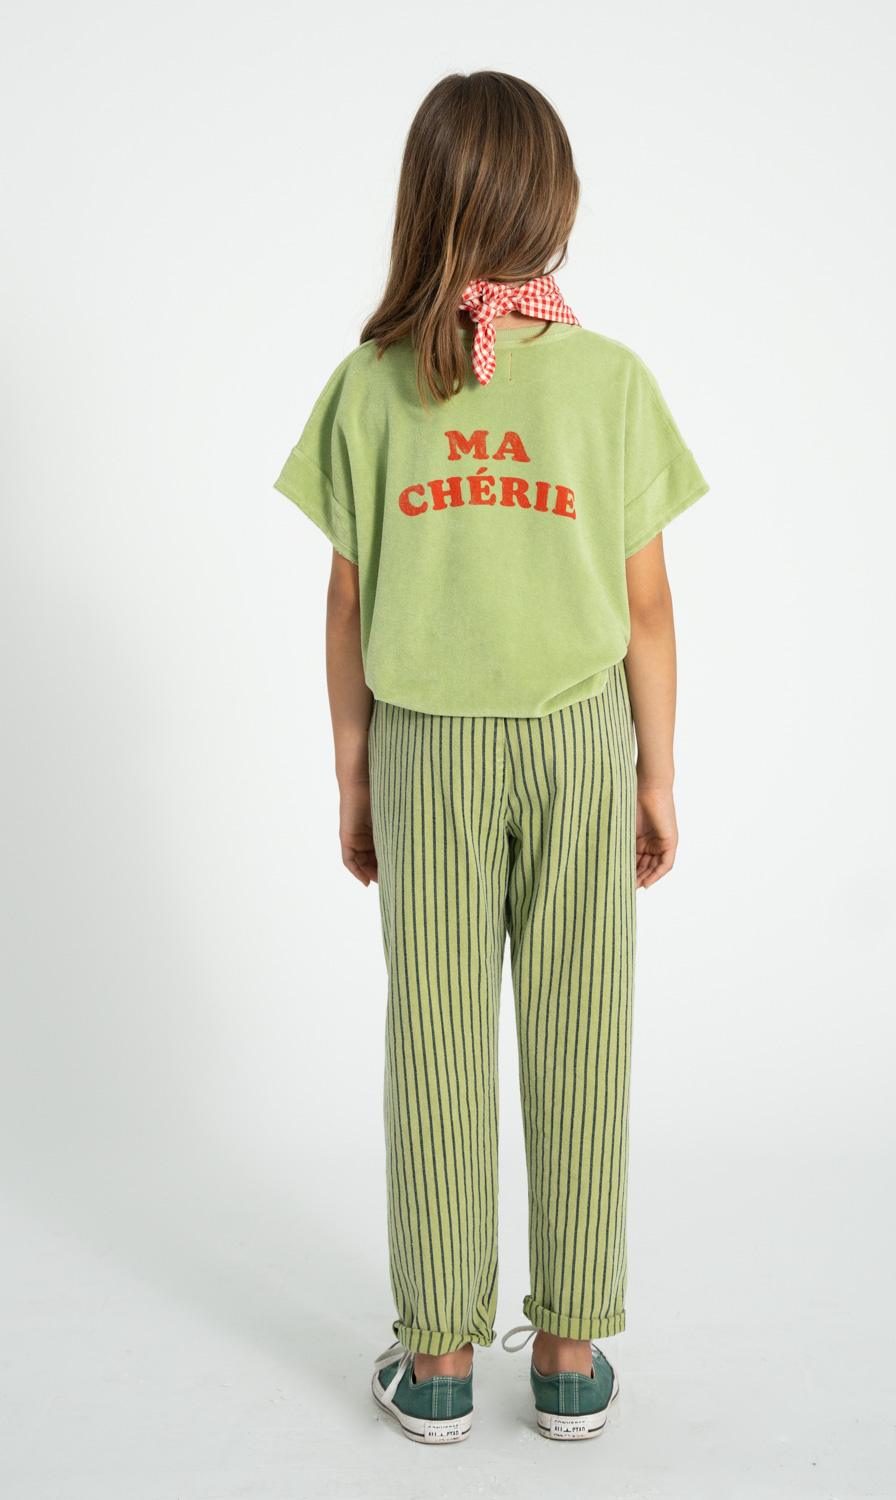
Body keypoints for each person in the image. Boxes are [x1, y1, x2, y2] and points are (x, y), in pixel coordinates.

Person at [272, 70, 710, 1445]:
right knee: (582, 1031)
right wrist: (655, 775)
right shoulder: (608, 380)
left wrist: (354, 778)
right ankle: (570, 1355)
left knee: (437, 1042)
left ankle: (442, 1361)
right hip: (580, 743)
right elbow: (647, 607)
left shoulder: (370, 386)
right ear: (553, 201)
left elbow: (347, 605)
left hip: (426, 747)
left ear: (424, 203)